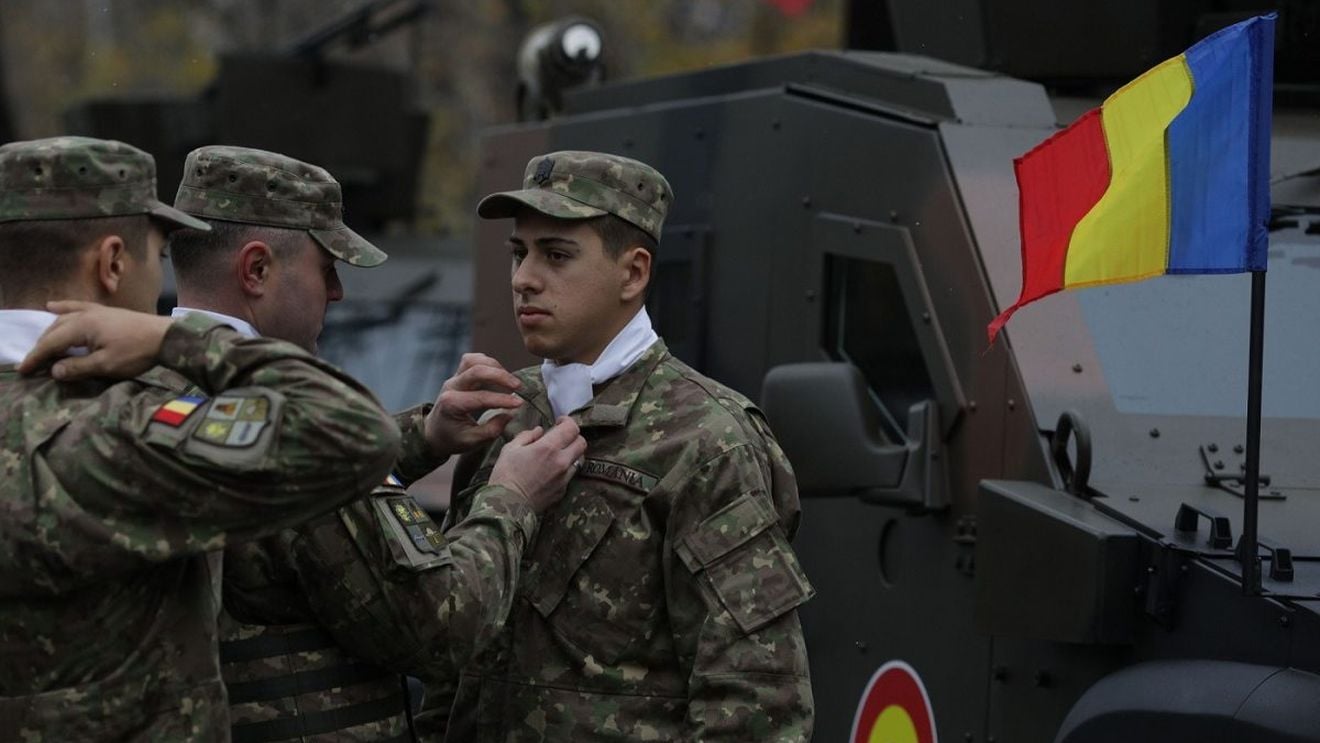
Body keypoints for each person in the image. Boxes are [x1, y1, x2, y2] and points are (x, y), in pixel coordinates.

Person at [165, 145, 587, 742]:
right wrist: (511, 498)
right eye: (325, 268)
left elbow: (273, 490)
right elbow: (438, 629)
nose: (336, 293)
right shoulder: (294, 418)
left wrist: (424, 435)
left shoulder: (146, 390)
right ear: (256, 270)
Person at [0, 136, 403, 741]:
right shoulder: (112, 432)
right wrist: (175, 341)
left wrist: (424, 434)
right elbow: (354, 434)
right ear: (111, 264)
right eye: (158, 254)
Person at [441, 151, 816, 741]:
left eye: (556, 255)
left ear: (633, 273)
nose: (522, 279)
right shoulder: (506, 417)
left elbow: (757, 699)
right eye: (519, 253)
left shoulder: (707, 440)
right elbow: (453, 655)